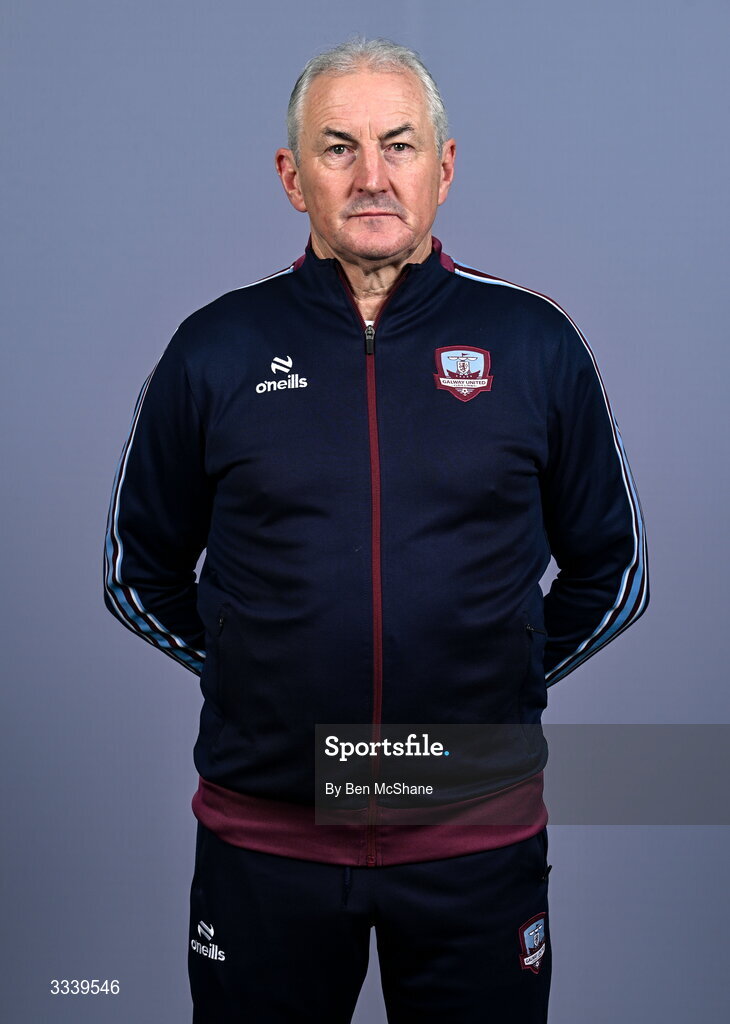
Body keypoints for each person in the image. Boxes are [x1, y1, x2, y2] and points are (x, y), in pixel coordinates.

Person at [103, 36, 649, 1024]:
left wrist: (500, 675)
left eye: (398, 145)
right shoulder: (213, 350)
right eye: (336, 147)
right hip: (266, 841)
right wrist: (251, 668)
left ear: (443, 166)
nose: (370, 177)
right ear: (289, 175)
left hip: (474, 846)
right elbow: (137, 572)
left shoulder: (534, 344)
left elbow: (613, 568)